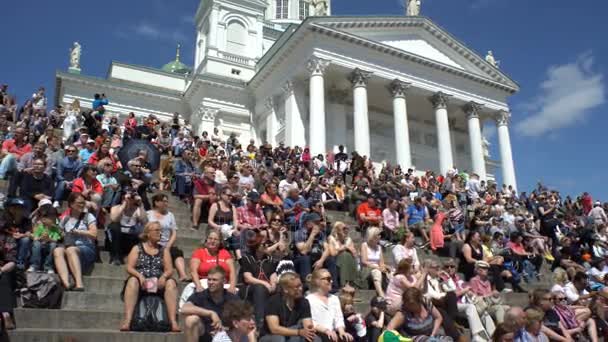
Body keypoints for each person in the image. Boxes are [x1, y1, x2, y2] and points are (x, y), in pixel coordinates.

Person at [120, 222, 180, 332]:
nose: (160, 233)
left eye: (160, 230)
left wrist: (164, 276)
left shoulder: (164, 250)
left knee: (171, 283)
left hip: (158, 284)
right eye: (157, 230)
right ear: (148, 233)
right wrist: (140, 276)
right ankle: (127, 321)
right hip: (141, 283)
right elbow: (129, 267)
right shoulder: (137, 248)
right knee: (132, 280)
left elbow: (170, 269)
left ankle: (173, 322)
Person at [182, 266, 240, 342]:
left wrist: (225, 330)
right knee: (191, 320)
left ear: (224, 281)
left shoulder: (232, 298)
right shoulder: (201, 295)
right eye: (209, 279)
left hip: (227, 336)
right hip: (205, 334)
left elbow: (244, 318)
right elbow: (184, 308)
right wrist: (210, 313)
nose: (211, 282)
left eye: (214, 280)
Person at [54, 192, 98, 291]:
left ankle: (79, 284)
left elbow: (94, 234)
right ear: (71, 204)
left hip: (86, 248)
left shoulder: (88, 216)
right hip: (69, 246)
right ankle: (66, 283)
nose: (82, 205)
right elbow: (58, 234)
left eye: (83, 203)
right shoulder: (65, 219)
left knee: (71, 250)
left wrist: (79, 232)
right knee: (57, 251)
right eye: (79, 203)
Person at [260, 272, 319, 342]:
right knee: (279, 339)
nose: (300, 289)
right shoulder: (273, 302)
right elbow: (274, 329)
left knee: (314, 339)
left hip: (294, 333)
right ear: (285, 289)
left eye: (301, 285)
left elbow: (308, 325)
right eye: (296, 287)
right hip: (270, 336)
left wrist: (309, 330)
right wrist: (299, 332)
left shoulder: (304, 302)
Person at [240, 229, 279, 330]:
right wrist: (265, 284)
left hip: (266, 287)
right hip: (250, 288)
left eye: (266, 244)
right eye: (263, 244)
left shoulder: (269, 259)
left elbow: (273, 275)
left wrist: (273, 284)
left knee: (281, 288)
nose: (266, 246)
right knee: (259, 288)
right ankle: (260, 324)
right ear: (256, 246)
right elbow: (248, 278)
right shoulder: (247, 258)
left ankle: (280, 322)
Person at [147, 193, 189, 282]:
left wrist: (168, 246)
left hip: (165, 244)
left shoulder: (170, 215)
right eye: (164, 201)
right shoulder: (148, 214)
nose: (166, 203)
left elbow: (174, 232)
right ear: (156, 202)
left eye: (167, 201)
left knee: (177, 252)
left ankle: (183, 275)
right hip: (151, 243)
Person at [387, 287, 453, 342]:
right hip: (414, 338)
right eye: (406, 303)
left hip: (431, 335)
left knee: (448, 340)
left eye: (411, 304)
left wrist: (433, 334)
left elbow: (438, 317)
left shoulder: (426, 304)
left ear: (419, 301)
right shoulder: (403, 312)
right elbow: (389, 328)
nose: (408, 306)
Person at [306, 268, 354, 342]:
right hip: (318, 334)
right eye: (328, 279)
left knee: (347, 338)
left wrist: (342, 332)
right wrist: (326, 331)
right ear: (318, 281)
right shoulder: (309, 300)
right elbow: (312, 322)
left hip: (332, 334)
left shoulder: (334, 298)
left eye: (331, 279)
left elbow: (338, 319)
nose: (331, 281)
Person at [293, 213, 337, 290]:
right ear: (308, 223)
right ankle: (307, 286)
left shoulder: (321, 234)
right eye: (316, 222)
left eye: (319, 222)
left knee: (330, 259)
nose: (318, 224)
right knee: (305, 258)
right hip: (301, 259)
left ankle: (333, 287)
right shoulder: (299, 233)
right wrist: (312, 235)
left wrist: (321, 261)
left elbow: (327, 249)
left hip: (317, 258)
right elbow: (304, 251)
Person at [108, 190, 148, 265]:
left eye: (132, 198)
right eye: (129, 198)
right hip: (115, 240)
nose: (131, 200)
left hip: (130, 239)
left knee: (142, 229)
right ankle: (116, 257)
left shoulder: (137, 210)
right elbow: (114, 219)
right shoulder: (116, 208)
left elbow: (144, 221)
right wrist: (124, 204)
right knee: (115, 226)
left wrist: (141, 205)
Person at [28, 204, 61, 273]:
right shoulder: (40, 227)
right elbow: (35, 238)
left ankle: (48, 266)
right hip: (40, 244)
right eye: (49, 217)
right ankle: (34, 265)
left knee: (53, 245)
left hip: (49, 245)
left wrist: (49, 239)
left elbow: (56, 239)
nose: (51, 219)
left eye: (53, 217)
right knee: (36, 244)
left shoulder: (55, 229)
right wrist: (41, 238)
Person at [360, 227, 389, 297]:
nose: (380, 236)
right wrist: (377, 267)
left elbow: (381, 262)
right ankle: (381, 294)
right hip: (367, 269)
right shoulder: (364, 245)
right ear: (373, 236)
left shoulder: (379, 247)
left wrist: (384, 267)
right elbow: (364, 261)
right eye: (378, 235)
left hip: (377, 267)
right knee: (377, 272)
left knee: (390, 273)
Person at [328, 222, 358, 288]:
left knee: (347, 255)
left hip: (348, 261)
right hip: (336, 261)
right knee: (345, 255)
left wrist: (350, 249)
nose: (346, 230)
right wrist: (344, 248)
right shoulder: (331, 238)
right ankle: (345, 283)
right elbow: (332, 253)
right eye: (343, 229)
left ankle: (348, 282)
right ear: (337, 230)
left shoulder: (348, 239)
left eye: (347, 229)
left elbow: (355, 255)